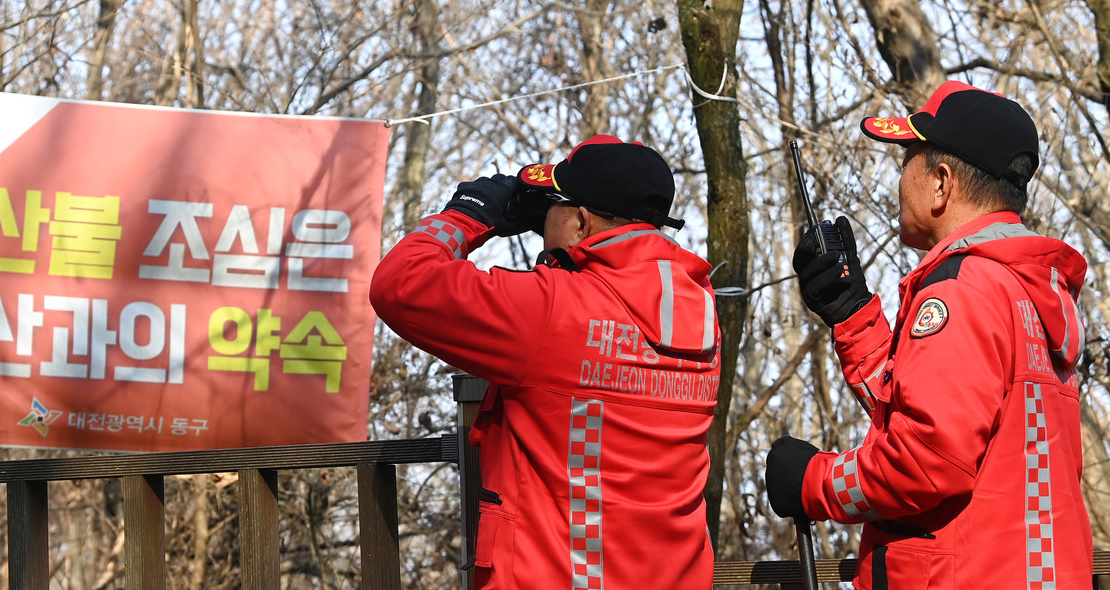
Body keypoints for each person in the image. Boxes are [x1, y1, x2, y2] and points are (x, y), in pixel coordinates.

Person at [766, 81, 1093, 589]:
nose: (899, 181)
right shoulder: (1029, 290)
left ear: (942, 183)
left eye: (906, 164)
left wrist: (813, 482)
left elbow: (925, 462)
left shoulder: (965, 288)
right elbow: (940, 415)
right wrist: (853, 316)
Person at [370, 135, 721, 589]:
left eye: (552, 209)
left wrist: (468, 216)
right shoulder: (704, 313)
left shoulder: (552, 310)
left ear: (578, 222)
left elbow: (399, 283)